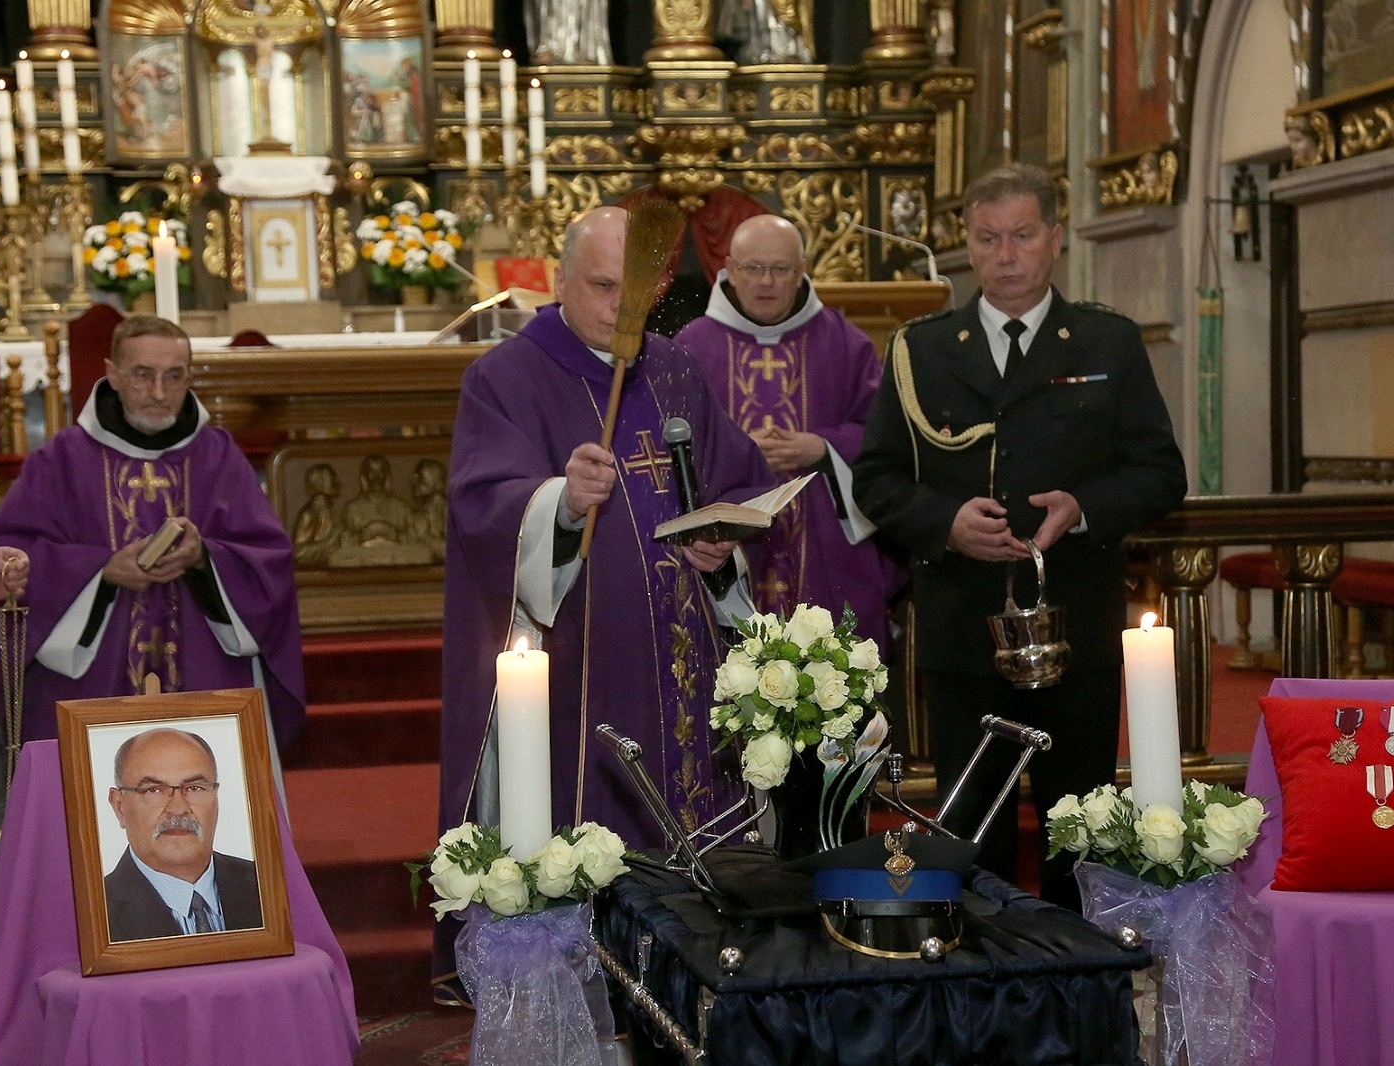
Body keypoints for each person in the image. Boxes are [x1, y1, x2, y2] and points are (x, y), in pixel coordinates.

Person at [439, 205, 774, 999]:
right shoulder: (505, 377)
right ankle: (594, 980)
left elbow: (738, 480)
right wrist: (559, 500)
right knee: (593, 821)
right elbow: (482, 506)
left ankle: (702, 974)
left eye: (639, 289)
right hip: (586, 668)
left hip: (686, 657)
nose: (622, 307)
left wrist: (719, 540)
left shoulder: (675, 368)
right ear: (558, 280)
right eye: (601, 286)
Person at [852, 163, 1186, 908]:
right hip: (963, 632)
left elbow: (1162, 474)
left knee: (1080, 831)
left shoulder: (1106, 342)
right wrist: (946, 524)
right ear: (966, 247)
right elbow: (875, 480)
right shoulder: (920, 349)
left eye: (1023, 236)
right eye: (987, 238)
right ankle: (980, 972)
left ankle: (1078, 970)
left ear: (1056, 240)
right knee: (973, 837)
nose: (1005, 255)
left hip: (1075, 629)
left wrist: (1083, 508)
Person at [0, 315, 306, 748]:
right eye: (142, 375)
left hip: (204, 670)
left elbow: (268, 560)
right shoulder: (62, 459)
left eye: (174, 376)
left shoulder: (217, 456)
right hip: (92, 683)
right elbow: (8, 556)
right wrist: (101, 571)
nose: (159, 392)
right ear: (112, 375)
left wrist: (204, 557)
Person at [675, 214, 896, 650]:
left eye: (780, 269)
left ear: (802, 271)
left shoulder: (844, 343)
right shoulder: (692, 346)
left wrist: (824, 447)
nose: (766, 281)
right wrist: (736, 453)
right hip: (726, 554)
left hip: (825, 547)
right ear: (729, 269)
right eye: (753, 268)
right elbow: (670, 444)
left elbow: (885, 435)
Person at [104, 727, 261, 942]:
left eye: (195, 788)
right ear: (119, 807)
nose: (178, 809)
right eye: (153, 790)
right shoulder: (92, 913)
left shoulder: (266, 886)